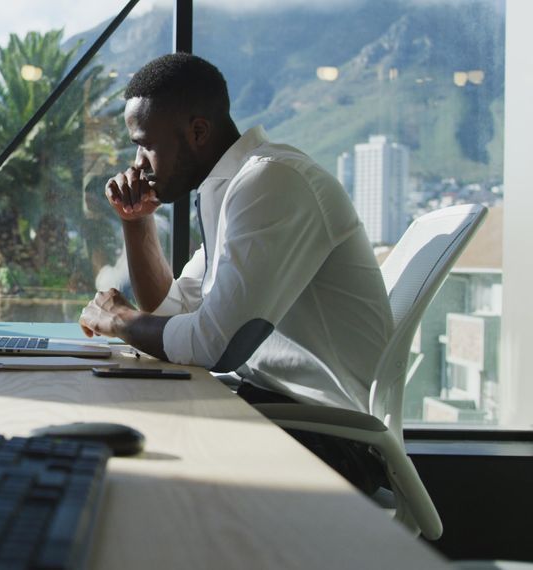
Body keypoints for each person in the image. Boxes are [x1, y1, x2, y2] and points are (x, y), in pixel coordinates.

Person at [78, 54, 394, 492]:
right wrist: (135, 220)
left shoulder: (272, 183)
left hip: (327, 437)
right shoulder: (231, 188)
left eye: (146, 143)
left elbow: (214, 345)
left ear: (198, 132)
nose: (138, 162)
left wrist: (118, 319)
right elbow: (170, 309)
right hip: (274, 411)